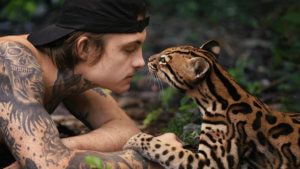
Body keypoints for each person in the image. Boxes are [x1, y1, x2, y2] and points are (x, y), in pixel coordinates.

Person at [0, 0, 183, 168]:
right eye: (128, 49)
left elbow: (126, 131)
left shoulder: (73, 70)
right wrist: (149, 159)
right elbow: (50, 165)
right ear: (84, 48)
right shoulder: (12, 60)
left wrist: (58, 147)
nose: (140, 62)